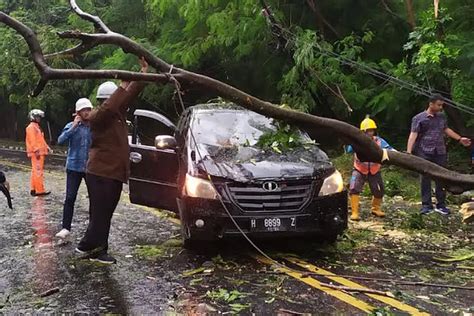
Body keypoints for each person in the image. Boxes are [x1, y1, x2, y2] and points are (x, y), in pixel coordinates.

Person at [76, 57, 148, 264]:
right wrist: (123, 86)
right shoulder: (98, 117)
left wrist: (142, 73)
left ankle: (87, 245)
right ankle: (97, 250)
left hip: (112, 173)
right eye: (118, 97)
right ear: (109, 99)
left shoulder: (116, 115)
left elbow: (127, 97)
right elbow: (110, 106)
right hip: (101, 174)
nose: (122, 101)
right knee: (101, 214)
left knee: (103, 213)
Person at [407, 94, 471, 215]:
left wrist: (459, 139)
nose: (441, 107)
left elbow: (446, 130)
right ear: (431, 104)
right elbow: (413, 134)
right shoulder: (419, 118)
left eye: (442, 105)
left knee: (441, 177)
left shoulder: (441, 117)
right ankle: (426, 205)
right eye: (439, 105)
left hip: (440, 151)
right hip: (424, 151)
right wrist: (409, 152)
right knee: (425, 178)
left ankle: (441, 204)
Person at [55, 98, 93, 239]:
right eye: (84, 110)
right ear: (78, 112)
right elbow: (60, 140)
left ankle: (93, 228)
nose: (87, 112)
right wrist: (74, 127)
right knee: (70, 198)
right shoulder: (71, 125)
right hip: (73, 167)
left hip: (90, 168)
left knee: (94, 199)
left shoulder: (94, 127)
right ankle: (65, 228)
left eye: (89, 109)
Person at [347, 116, 394, 221]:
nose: (370, 133)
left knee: (378, 189)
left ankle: (375, 208)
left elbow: (389, 149)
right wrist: (354, 142)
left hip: (374, 169)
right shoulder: (357, 141)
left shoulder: (379, 141)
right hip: (359, 168)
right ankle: (355, 212)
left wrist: (396, 154)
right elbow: (349, 149)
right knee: (354, 188)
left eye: (372, 130)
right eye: (368, 131)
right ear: (363, 131)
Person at [25, 109, 51, 196]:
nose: (39, 118)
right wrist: (36, 151)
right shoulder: (31, 127)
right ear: (33, 117)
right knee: (38, 172)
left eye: (39, 117)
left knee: (35, 171)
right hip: (37, 153)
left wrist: (47, 147)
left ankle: (33, 189)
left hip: (39, 152)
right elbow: (33, 140)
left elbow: (41, 140)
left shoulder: (36, 127)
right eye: (37, 117)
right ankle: (39, 190)